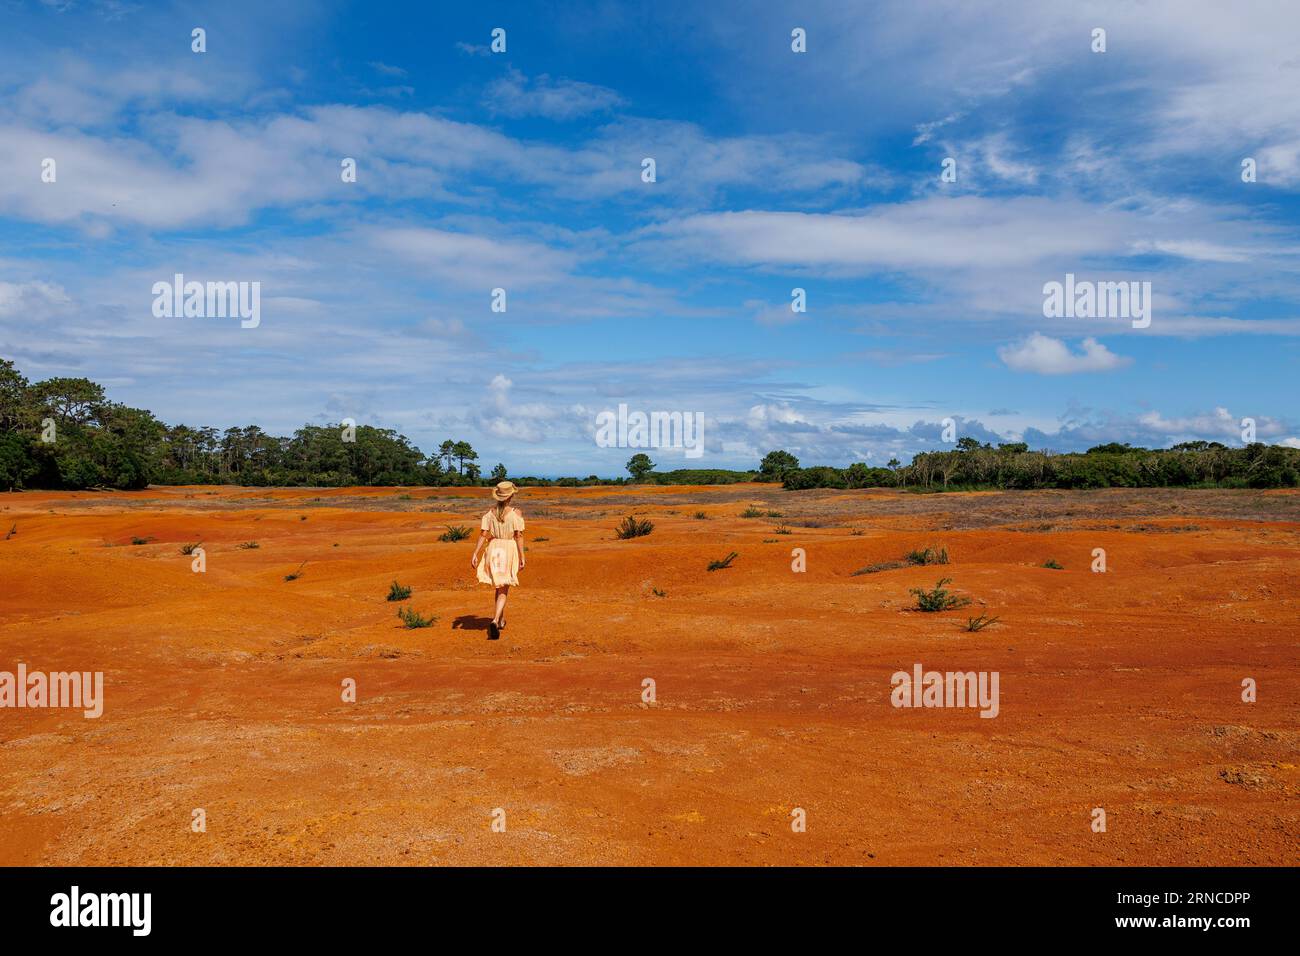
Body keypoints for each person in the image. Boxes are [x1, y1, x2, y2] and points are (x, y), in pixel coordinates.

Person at [469, 480, 525, 640]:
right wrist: (522, 556)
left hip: (494, 548)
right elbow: (518, 536)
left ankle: (500, 620)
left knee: (498, 586)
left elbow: (483, 534)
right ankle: (495, 620)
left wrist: (475, 553)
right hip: (508, 549)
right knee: (504, 587)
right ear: (511, 496)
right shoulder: (516, 513)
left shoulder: (490, 513)